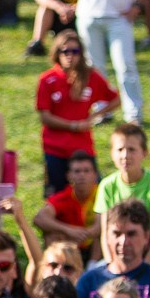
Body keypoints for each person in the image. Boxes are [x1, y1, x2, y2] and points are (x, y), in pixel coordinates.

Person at [34, 29, 117, 194]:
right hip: (55, 148)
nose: (69, 55)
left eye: (75, 51)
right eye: (65, 51)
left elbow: (115, 99)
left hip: (82, 148)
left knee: (94, 195)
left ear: (81, 53)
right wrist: (73, 125)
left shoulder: (90, 76)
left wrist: (94, 116)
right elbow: (45, 116)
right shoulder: (47, 79)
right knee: (57, 195)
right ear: (57, 52)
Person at [95, 123, 150, 263]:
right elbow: (105, 234)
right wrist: (111, 264)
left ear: (144, 152)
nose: (125, 155)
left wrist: (144, 270)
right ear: (112, 153)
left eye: (132, 149)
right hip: (118, 251)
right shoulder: (106, 186)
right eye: (120, 149)